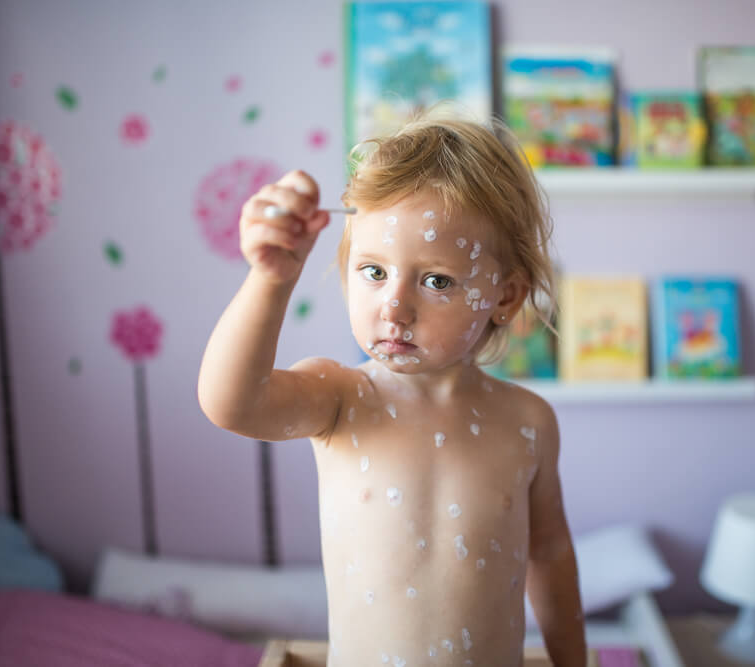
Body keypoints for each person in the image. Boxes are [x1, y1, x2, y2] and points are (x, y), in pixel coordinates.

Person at [198, 115, 586, 666]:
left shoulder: (529, 421)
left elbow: (549, 551)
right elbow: (230, 403)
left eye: (436, 281)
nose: (395, 307)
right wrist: (271, 280)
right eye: (374, 272)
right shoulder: (340, 399)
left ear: (505, 296)